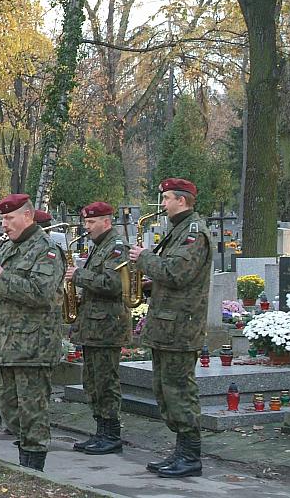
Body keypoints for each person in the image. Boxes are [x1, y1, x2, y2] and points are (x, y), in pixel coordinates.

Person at [0, 193, 65, 470]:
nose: (4, 225)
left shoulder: (45, 249)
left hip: (34, 346)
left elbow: (41, 293)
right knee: (10, 413)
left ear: (28, 216)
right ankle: (25, 463)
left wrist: (1, 277)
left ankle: (34, 471)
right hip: (6, 343)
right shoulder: (6, 248)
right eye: (2, 219)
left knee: (32, 414)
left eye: (9, 218)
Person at [129, 178, 212, 478]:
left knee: (179, 391)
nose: (162, 204)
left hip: (180, 327)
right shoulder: (178, 230)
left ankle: (190, 456)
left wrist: (144, 258)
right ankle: (180, 451)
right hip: (167, 326)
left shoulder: (193, 233)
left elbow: (178, 272)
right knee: (165, 391)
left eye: (165, 198)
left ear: (182, 200)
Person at [65, 202, 130, 455]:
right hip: (93, 327)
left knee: (105, 382)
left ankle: (111, 434)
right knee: (92, 381)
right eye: (86, 222)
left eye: (91, 222)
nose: (87, 227)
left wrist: (79, 276)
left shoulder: (116, 248)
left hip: (107, 327)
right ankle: (101, 431)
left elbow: (114, 283)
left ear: (107, 222)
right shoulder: (100, 247)